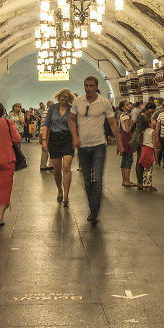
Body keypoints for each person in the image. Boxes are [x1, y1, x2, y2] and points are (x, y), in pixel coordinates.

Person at [69, 76, 122, 225]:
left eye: (91, 85)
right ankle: (92, 206)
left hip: (99, 145)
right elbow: (71, 119)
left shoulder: (104, 103)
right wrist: (75, 136)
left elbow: (112, 123)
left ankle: (94, 210)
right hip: (83, 147)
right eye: (86, 85)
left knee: (97, 179)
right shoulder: (78, 101)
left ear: (96, 86)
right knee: (87, 181)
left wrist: (120, 142)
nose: (88, 88)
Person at [41, 88, 75, 206]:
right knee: (57, 170)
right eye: (62, 99)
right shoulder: (52, 108)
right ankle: (59, 190)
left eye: (67, 99)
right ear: (58, 98)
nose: (64, 101)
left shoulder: (72, 109)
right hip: (54, 139)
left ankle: (66, 195)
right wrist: (44, 141)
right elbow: (46, 125)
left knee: (66, 167)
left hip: (68, 138)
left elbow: (77, 125)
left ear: (70, 100)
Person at [135, 103, 157, 191]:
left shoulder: (147, 121)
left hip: (144, 144)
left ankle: (144, 184)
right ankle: (142, 183)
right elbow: (139, 131)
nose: (151, 113)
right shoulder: (141, 118)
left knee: (143, 163)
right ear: (147, 109)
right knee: (143, 164)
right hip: (144, 144)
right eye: (151, 112)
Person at [118, 101, 137, 187]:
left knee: (124, 159)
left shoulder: (121, 115)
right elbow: (127, 130)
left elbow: (120, 128)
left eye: (130, 104)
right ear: (123, 107)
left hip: (122, 137)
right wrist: (131, 124)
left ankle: (124, 180)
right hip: (126, 137)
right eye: (127, 105)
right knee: (129, 159)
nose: (129, 105)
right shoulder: (126, 116)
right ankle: (127, 181)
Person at [39, 100, 53, 169]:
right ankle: (48, 165)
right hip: (48, 132)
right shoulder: (50, 112)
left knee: (45, 149)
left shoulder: (44, 112)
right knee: (48, 149)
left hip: (42, 132)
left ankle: (43, 165)